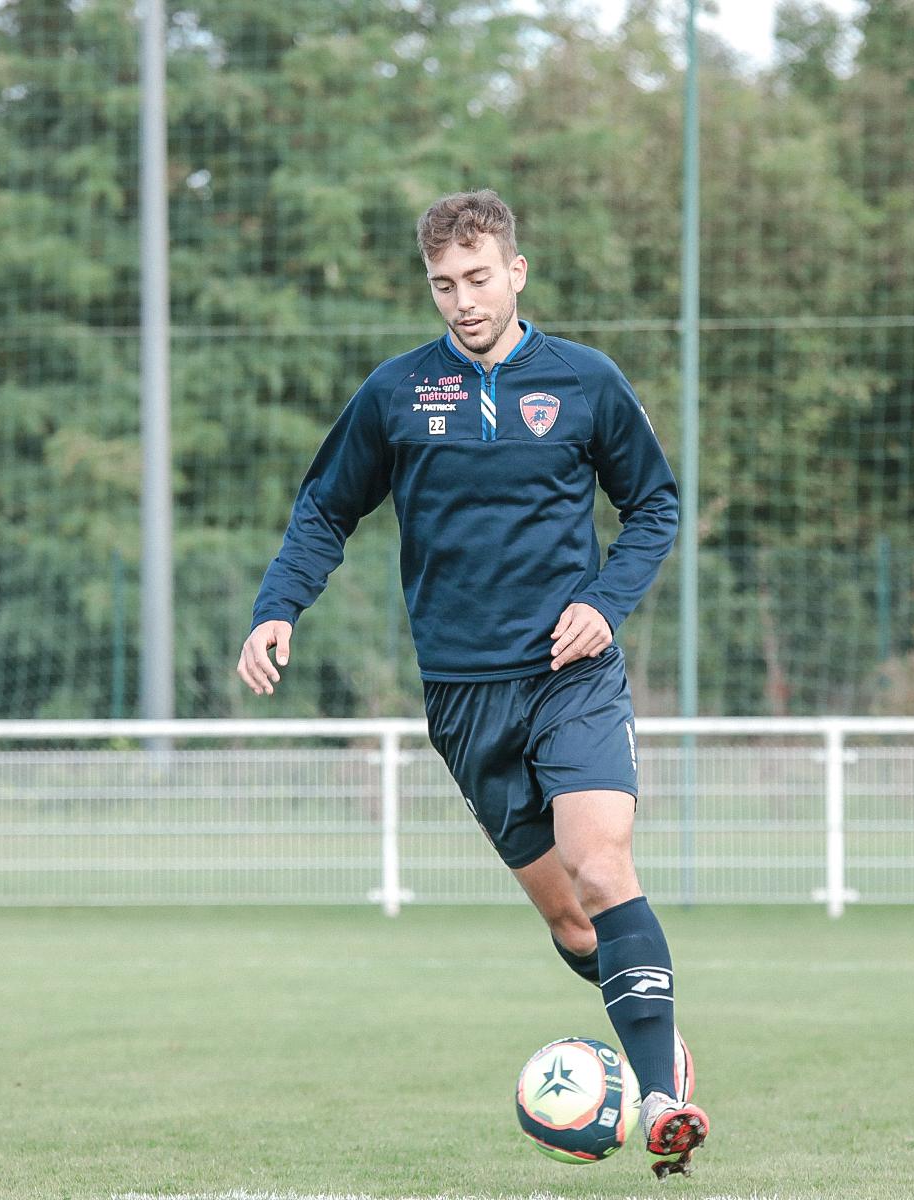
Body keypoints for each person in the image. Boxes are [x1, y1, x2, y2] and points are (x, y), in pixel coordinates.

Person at [237, 190, 709, 1174]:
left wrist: (606, 601)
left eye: (479, 278)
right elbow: (326, 509)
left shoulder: (584, 383)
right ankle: (645, 1021)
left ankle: (660, 1091)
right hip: (461, 696)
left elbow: (654, 505)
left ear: (517, 271)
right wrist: (277, 607)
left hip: (570, 675)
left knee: (601, 865)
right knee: (570, 919)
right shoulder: (397, 395)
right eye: (443, 285)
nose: (462, 301)